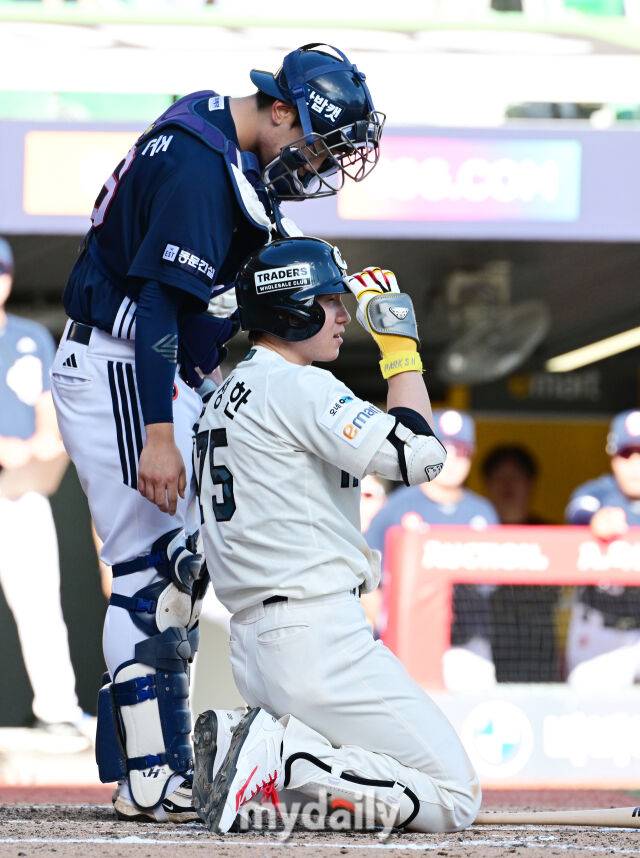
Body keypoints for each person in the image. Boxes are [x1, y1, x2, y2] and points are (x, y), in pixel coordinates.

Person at [50, 45, 384, 823]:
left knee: (178, 574)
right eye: (316, 142)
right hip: (124, 362)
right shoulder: (202, 166)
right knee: (155, 574)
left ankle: (154, 762)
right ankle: (146, 773)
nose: (319, 164)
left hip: (141, 364)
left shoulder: (215, 135)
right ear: (278, 111)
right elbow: (160, 308)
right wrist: (159, 433)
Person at [192, 238, 481, 835]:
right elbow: (425, 459)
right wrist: (401, 353)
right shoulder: (299, 386)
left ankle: (277, 762)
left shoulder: (223, 395)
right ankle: (280, 760)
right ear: (288, 307)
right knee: (454, 796)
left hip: (258, 642)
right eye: (326, 300)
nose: (344, 313)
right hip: (316, 635)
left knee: (377, 779)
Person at [0, 237, 88, 744]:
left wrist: (40, 443)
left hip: (18, 489)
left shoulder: (30, 335)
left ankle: (57, 710)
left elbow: (48, 412)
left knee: (39, 599)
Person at [365, 409, 499, 691]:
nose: (452, 460)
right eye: (444, 448)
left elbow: (492, 584)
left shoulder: (482, 512)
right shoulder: (397, 507)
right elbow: (368, 582)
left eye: (461, 451)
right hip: (409, 642)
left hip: (468, 644)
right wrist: (386, 632)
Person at [564, 409, 640, 690]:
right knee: (591, 720)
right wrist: (595, 519)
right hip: (600, 629)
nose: (635, 463)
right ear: (613, 457)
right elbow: (577, 509)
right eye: (627, 453)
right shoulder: (598, 492)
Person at [481, 444, 558, 682]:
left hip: (540, 646)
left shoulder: (552, 535)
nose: (507, 485)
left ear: (530, 483)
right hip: (486, 645)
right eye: (499, 477)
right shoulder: (476, 535)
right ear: (487, 485)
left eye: (515, 477)